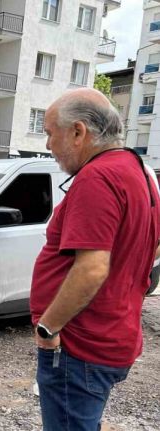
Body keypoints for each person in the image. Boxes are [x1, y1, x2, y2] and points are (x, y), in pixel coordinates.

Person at [30, 88, 160, 430]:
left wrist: (48, 327)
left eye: (49, 134)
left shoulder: (97, 176)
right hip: (112, 336)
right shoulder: (140, 171)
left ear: (78, 132)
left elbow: (91, 268)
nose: (48, 145)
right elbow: (153, 243)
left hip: (80, 345)